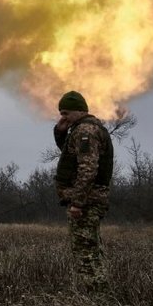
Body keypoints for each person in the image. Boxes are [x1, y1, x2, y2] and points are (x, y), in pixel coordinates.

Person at [53, 90, 113, 292]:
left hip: (86, 202)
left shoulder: (85, 131)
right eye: (61, 113)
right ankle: (102, 297)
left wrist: (78, 202)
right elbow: (71, 155)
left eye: (65, 113)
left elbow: (87, 169)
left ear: (79, 111)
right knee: (92, 250)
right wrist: (60, 132)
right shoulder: (85, 129)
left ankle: (99, 301)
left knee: (85, 253)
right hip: (91, 200)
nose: (63, 117)